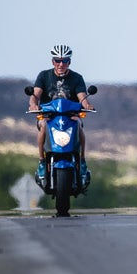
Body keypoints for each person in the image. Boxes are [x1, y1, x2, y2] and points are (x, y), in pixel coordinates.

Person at [28, 44, 95, 186]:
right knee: (43, 126)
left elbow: (82, 96)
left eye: (64, 61)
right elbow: (35, 95)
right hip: (49, 116)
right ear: (53, 62)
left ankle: (82, 160)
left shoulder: (76, 78)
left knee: (79, 125)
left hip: (70, 116)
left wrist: (86, 105)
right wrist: (33, 105)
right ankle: (41, 160)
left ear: (69, 62)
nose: (61, 64)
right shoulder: (44, 76)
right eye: (57, 60)